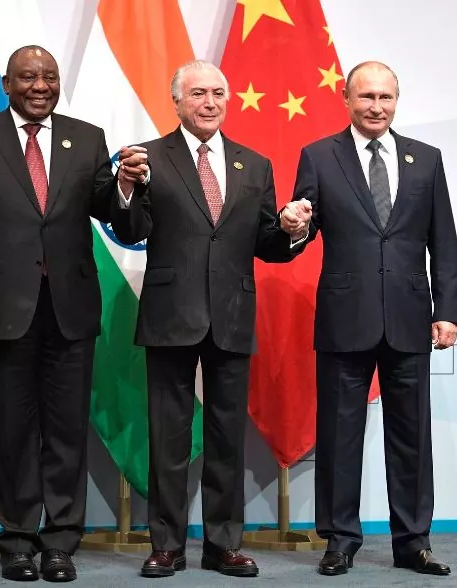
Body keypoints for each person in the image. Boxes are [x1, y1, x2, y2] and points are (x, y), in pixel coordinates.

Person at [0, 45, 146, 582]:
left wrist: (126, 188)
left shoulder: (86, 137)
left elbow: (118, 219)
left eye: (50, 77)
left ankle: (60, 542)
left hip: (70, 308)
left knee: (66, 432)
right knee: (13, 431)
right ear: (6, 83)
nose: (40, 86)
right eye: (29, 77)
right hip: (4, 308)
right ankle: (16, 539)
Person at [112, 60, 304, 579]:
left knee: (226, 438)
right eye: (198, 93)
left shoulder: (254, 164)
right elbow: (131, 228)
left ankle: (223, 545)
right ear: (176, 101)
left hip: (233, 313)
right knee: (168, 439)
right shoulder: (147, 157)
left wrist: (289, 228)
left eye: (219, 92)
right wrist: (127, 190)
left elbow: (267, 244)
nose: (210, 102)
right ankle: (167, 545)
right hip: (172, 313)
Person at [281, 61, 457, 577]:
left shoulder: (426, 159)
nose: (376, 107)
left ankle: (413, 541)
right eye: (366, 98)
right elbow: (301, 229)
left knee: (412, 435)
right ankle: (340, 539)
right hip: (345, 315)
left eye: (385, 97)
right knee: (339, 434)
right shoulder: (319, 155)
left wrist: (447, 309)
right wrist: (292, 224)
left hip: (409, 316)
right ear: (346, 99)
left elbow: (442, 241)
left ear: (397, 99)